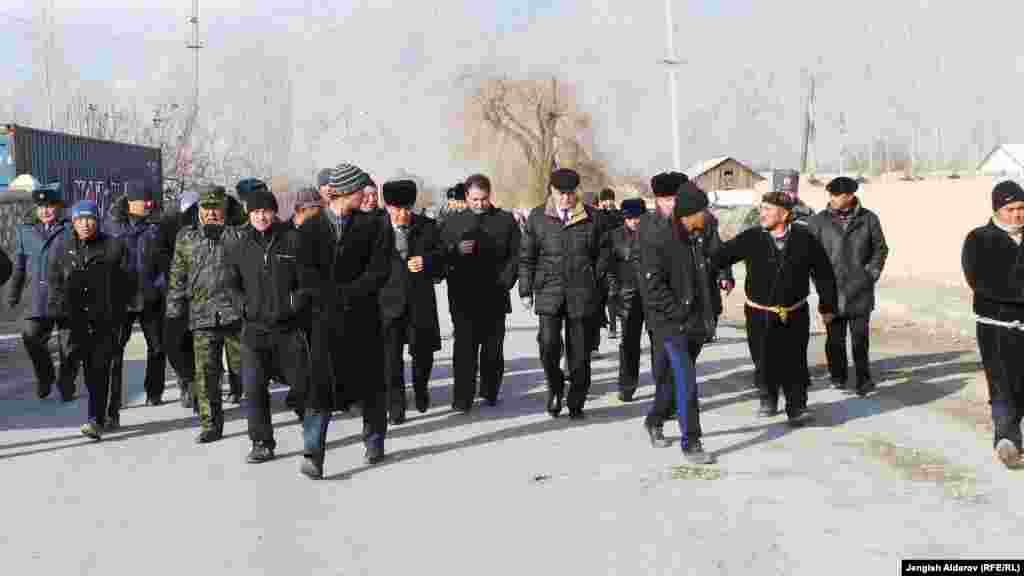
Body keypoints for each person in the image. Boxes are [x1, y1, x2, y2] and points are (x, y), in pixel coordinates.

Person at [300, 163, 393, 478]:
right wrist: (329, 297)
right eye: (360, 189)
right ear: (346, 191)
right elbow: (305, 274)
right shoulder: (311, 228)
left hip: (364, 317)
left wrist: (349, 294)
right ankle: (312, 454)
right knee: (320, 389)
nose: (365, 195)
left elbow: (379, 270)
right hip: (325, 321)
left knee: (372, 385)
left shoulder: (374, 226)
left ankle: (374, 440)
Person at [712, 192, 837, 425]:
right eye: (762, 208)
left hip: (795, 312)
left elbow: (824, 274)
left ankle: (797, 407)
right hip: (759, 313)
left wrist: (827, 305)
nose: (762, 213)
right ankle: (768, 397)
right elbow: (719, 257)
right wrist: (719, 273)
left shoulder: (804, 238)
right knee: (764, 360)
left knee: (795, 361)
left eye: (768, 209)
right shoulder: (751, 237)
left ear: (785, 213)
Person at [224, 189, 313, 464]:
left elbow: (307, 280)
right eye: (255, 212)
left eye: (265, 211)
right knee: (253, 388)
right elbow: (231, 284)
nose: (261, 217)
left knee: (302, 385)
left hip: (289, 329)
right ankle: (261, 442)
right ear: (248, 214)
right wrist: (244, 307)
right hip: (254, 330)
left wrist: (294, 303)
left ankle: (311, 431)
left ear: (275, 212)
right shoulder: (240, 245)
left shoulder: (292, 240)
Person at [519, 168, 610, 419]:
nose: (566, 198)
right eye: (561, 193)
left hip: (582, 292)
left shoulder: (593, 218)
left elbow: (604, 253)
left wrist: (595, 279)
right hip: (549, 290)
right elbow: (527, 257)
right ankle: (555, 387)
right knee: (548, 345)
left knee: (579, 353)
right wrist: (526, 289)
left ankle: (576, 400)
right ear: (552, 190)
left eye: (571, 193)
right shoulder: (538, 217)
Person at [640, 183, 718, 464]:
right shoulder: (659, 239)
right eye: (703, 210)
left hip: (696, 321)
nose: (707, 214)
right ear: (688, 214)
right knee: (687, 380)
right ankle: (691, 442)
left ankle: (654, 419)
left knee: (675, 380)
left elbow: (710, 270)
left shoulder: (702, 235)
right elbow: (653, 287)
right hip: (671, 323)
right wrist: (678, 313)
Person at [165, 185, 244, 444]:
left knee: (243, 368)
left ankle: (248, 402)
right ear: (199, 210)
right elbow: (177, 276)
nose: (211, 213)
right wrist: (174, 311)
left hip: (235, 315)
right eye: (206, 208)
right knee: (206, 373)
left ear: (225, 209)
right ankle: (210, 424)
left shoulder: (238, 235)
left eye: (216, 208)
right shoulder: (186, 237)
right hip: (202, 315)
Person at [47, 199, 127, 440]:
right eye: (80, 219)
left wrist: (119, 312)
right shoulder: (62, 247)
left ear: (97, 221)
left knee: (99, 369)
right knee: (80, 364)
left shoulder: (113, 247)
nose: (85, 224)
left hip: (104, 319)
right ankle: (94, 408)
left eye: (90, 219)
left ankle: (96, 419)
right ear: (73, 222)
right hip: (74, 318)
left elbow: (126, 282)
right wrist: (57, 309)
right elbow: (54, 281)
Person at [442, 174, 521, 410]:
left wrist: (506, 281)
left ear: (490, 195)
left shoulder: (505, 220)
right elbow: (440, 256)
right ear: (466, 196)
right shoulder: (452, 222)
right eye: (474, 199)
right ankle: (462, 397)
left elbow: (517, 255)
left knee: (492, 349)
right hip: (463, 296)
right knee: (464, 349)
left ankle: (490, 390)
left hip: (495, 294)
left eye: (484, 199)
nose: (479, 204)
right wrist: (455, 250)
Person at [806, 176, 889, 395]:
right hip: (830, 290)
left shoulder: (869, 219)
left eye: (838, 195)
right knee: (835, 338)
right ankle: (838, 376)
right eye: (831, 195)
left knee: (860, 338)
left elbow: (881, 249)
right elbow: (809, 255)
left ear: (851, 196)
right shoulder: (817, 222)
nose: (833, 199)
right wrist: (819, 281)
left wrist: (871, 273)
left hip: (860, 289)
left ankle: (864, 380)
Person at [962, 179, 1024, 469]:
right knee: (1002, 383)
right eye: (1011, 209)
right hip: (996, 326)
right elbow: (980, 280)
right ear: (997, 209)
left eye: (1022, 208)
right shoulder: (978, 239)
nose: (1017, 214)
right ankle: (1006, 439)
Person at [378, 180, 445, 423]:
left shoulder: (427, 227)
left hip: (419, 303)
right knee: (390, 359)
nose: (403, 214)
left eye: (407, 208)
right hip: (387, 304)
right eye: (398, 209)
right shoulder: (375, 229)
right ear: (387, 207)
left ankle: (420, 388)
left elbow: (443, 259)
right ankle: (395, 405)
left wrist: (427, 261)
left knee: (423, 354)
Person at [7, 184, 76, 402]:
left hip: (66, 296)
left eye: (50, 206)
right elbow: (19, 266)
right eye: (41, 206)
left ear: (58, 207)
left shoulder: (70, 229)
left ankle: (67, 382)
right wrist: (14, 293)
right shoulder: (24, 231)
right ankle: (45, 376)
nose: (45, 211)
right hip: (37, 297)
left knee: (69, 346)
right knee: (31, 338)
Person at [104, 182, 167, 410]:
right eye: (144, 200)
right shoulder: (112, 226)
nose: (149, 204)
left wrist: (160, 286)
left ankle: (154, 391)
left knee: (157, 347)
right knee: (115, 349)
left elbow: (166, 260)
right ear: (131, 202)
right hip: (122, 298)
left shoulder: (157, 225)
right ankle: (113, 398)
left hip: (150, 296)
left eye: (150, 200)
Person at [608, 198, 649, 402]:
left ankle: (665, 387)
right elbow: (608, 266)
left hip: (653, 294)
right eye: (630, 218)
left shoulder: (653, 233)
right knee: (629, 343)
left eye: (637, 217)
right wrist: (614, 289)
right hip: (627, 295)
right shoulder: (615, 236)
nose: (634, 221)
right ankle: (627, 385)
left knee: (660, 342)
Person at [598, 188, 624, 339]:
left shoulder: (619, 215)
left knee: (618, 294)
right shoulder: (598, 216)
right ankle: (612, 327)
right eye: (605, 200)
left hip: (620, 259)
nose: (608, 202)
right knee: (611, 294)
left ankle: (618, 322)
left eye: (610, 199)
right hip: (605, 261)